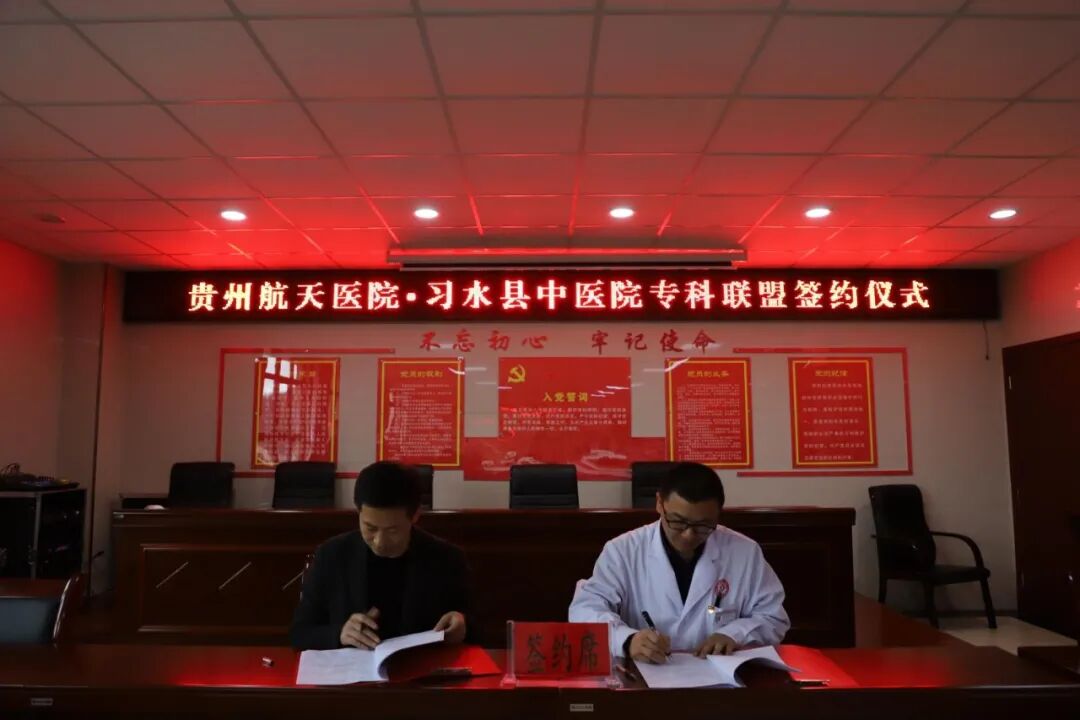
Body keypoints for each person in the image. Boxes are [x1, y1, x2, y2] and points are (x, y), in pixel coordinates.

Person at [569, 462, 789, 663]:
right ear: (659, 504)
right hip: (643, 675)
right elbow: (585, 609)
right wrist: (627, 640)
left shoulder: (744, 552)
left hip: (719, 677)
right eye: (678, 522)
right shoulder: (623, 550)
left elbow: (773, 617)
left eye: (703, 525)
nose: (688, 535)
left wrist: (734, 634)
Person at [289, 461, 468, 650]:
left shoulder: (447, 559)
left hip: (421, 666)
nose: (380, 542)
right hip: (353, 667)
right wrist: (339, 633)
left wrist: (462, 624)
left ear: (415, 515)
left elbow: (477, 627)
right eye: (370, 528)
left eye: (392, 530)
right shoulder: (332, 555)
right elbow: (300, 633)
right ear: (358, 512)